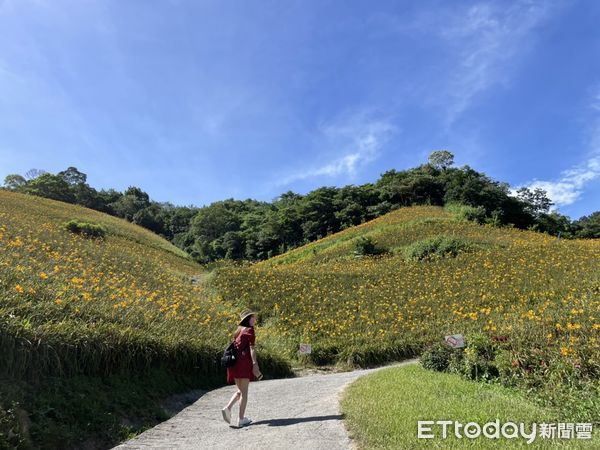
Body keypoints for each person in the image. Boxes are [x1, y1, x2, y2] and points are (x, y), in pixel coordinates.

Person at [221, 309, 262, 428]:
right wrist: (255, 363)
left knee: (240, 390)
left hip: (234, 363)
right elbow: (252, 348)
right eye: (253, 317)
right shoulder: (250, 330)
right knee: (244, 392)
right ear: (248, 319)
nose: (255, 319)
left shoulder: (239, 330)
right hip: (243, 363)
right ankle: (241, 419)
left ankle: (227, 408)